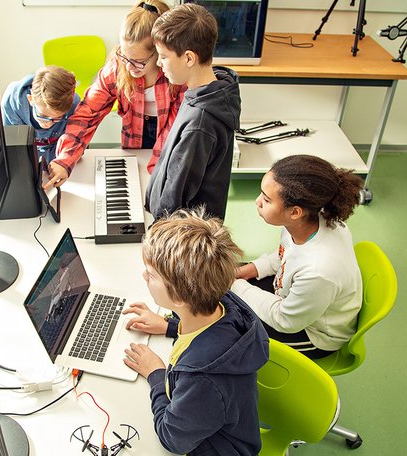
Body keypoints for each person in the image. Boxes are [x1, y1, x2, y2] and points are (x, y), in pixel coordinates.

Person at [122, 208, 269, 456]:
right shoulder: (222, 303)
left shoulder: (203, 382)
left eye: (152, 275)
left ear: (179, 297)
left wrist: (156, 375)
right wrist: (169, 325)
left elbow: (171, 438)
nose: (144, 276)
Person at [230, 154, 365, 359]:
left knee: (228, 331)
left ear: (295, 212)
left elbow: (286, 321)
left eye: (266, 199)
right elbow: (284, 255)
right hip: (297, 299)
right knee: (226, 286)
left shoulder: (319, 271)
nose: (257, 202)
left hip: (315, 334)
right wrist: (250, 270)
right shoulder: (306, 223)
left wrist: (235, 285)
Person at [44, 0, 186, 190]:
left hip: (171, 138)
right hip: (134, 139)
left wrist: (157, 172)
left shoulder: (177, 74)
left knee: (158, 187)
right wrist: (64, 159)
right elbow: (87, 114)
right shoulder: (117, 68)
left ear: (159, 52)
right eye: (124, 56)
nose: (129, 67)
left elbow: (176, 129)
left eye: (139, 61)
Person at [144, 3, 241, 220]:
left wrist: (157, 230)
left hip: (181, 233)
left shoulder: (200, 124)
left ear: (189, 58)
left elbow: (175, 199)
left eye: (163, 56)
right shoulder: (208, 92)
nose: (158, 63)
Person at [1, 65, 80, 164]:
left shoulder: (74, 105)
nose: (48, 124)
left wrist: (63, 161)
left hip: (59, 156)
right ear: (30, 99)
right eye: (43, 117)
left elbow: (76, 145)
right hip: (27, 157)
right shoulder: (11, 103)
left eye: (57, 118)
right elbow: (13, 148)